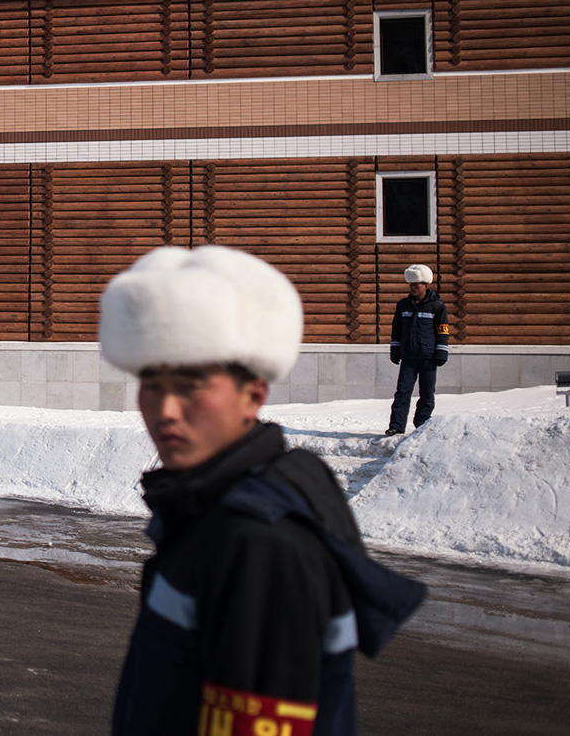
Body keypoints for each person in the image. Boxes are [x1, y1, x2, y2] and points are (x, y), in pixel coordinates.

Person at [100, 245, 426, 736]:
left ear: (253, 394)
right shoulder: (217, 506)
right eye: (151, 383)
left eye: (190, 385)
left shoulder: (258, 541)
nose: (165, 409)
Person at [385, 265, 450, 436]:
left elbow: (443, 331)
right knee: (402, 392)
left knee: (427, 393)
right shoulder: (403, 305)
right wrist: (395, 349)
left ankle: (422, 425)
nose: (413, 287)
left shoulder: (437, 306)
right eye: (411, 284)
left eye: (417, 284)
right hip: (408, 357)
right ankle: (397, 425)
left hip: (428, 358)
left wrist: (441, 352)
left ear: (425, 284)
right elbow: (396, 329)